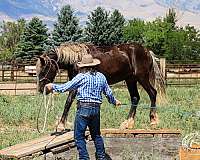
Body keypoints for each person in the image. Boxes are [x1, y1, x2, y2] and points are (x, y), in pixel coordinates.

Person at [45, 54, 121, 160]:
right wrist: (114, 101)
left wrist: (52, 86)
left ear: (83, 66)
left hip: (83, 109)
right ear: (94, 65)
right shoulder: (101, 76)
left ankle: (84, 158)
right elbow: (108, 93)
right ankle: (102, 157)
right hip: (96, 109)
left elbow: (66, 87)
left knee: (79, 136)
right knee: (96, 135)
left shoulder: (81, 77)